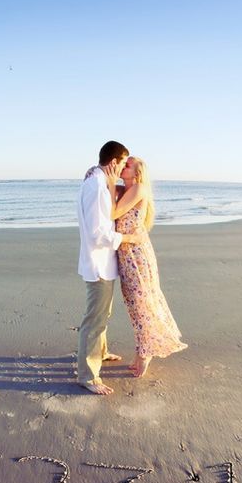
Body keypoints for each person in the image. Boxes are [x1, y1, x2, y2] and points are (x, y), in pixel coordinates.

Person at [108, 156, 187, 378]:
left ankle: (145, 353)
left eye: (128, 164)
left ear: (138, 172)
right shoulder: (124, 190)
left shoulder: (139, 188)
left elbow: (112, 213)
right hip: (126, 253)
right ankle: (144, 348)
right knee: (135, 305)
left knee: (143, 303)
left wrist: (111, 182)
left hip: (137, 255)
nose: (123, 166)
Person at [77, 141, 142, 395]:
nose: (125, 168)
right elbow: (97, 233)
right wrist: (128, 239)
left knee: (103, 315)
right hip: (98, 263)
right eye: (123, 163)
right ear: (114, 163)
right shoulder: (96, 186)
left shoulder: (98, 180)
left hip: (104, 262)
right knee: (94, 320)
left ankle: (100, 353)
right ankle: (88, 375)